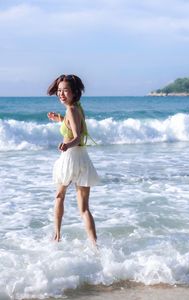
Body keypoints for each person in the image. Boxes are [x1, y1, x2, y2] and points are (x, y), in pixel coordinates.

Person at [47, 74, 99, 246]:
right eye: (59, 91)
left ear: (74, 92)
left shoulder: (71, 109)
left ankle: (57, 236)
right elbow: (76, 125)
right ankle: (94, 245)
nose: (61, 94)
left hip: (70, 158)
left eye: (65, 91)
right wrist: (60, 120)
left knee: (59, 196)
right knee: (84, 209)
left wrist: (66, 145)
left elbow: (76, 137)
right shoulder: (77, 108)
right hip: (82, 159)